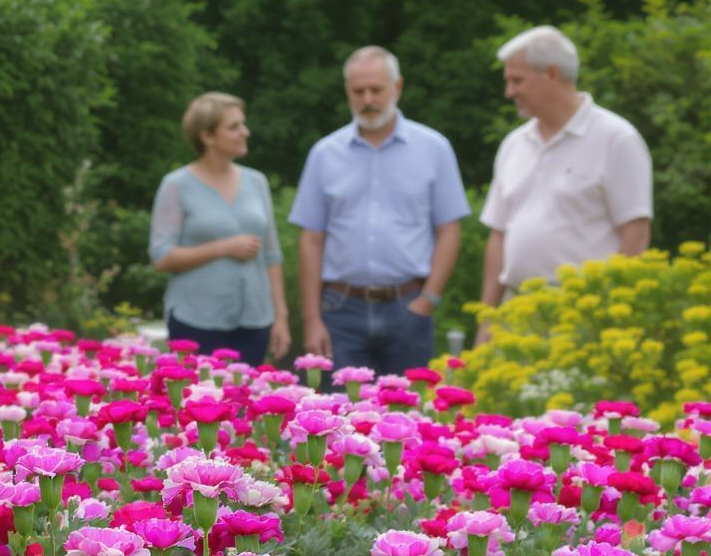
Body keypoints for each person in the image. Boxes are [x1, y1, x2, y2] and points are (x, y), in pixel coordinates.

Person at [290, 46, 470, 375]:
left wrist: (428, 300)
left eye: (376, 89)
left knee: (409, 420)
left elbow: (449, 229)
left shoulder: (434, 149)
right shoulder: (324, 154)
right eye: (358, 91)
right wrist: (312, 319)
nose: (368, 99)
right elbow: (311, 239)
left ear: (397, 88)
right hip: (340, 310)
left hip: (408, 305)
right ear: (348, 92)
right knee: (337, 417)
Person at [477, 25, 652, 332]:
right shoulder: (514, 144)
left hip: (584, 317)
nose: (509, 92)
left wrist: (612, 318)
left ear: (552, 74)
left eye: (516, 81)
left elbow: (635, 237)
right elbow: (498, 236)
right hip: (516, 312)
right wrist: (487, 322)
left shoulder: (617, 139)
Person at [148, 92, 290, 367]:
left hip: (254, 320)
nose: (245, 132)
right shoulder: (177, 185)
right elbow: (161, 256)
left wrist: (280, 317)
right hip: (195, 321)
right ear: (207, 136)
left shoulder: (256, 182)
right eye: (234, 127)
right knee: (197, 405)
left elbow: (272, 256)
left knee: (245, 405)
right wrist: (223, 248)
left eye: (243, 125)